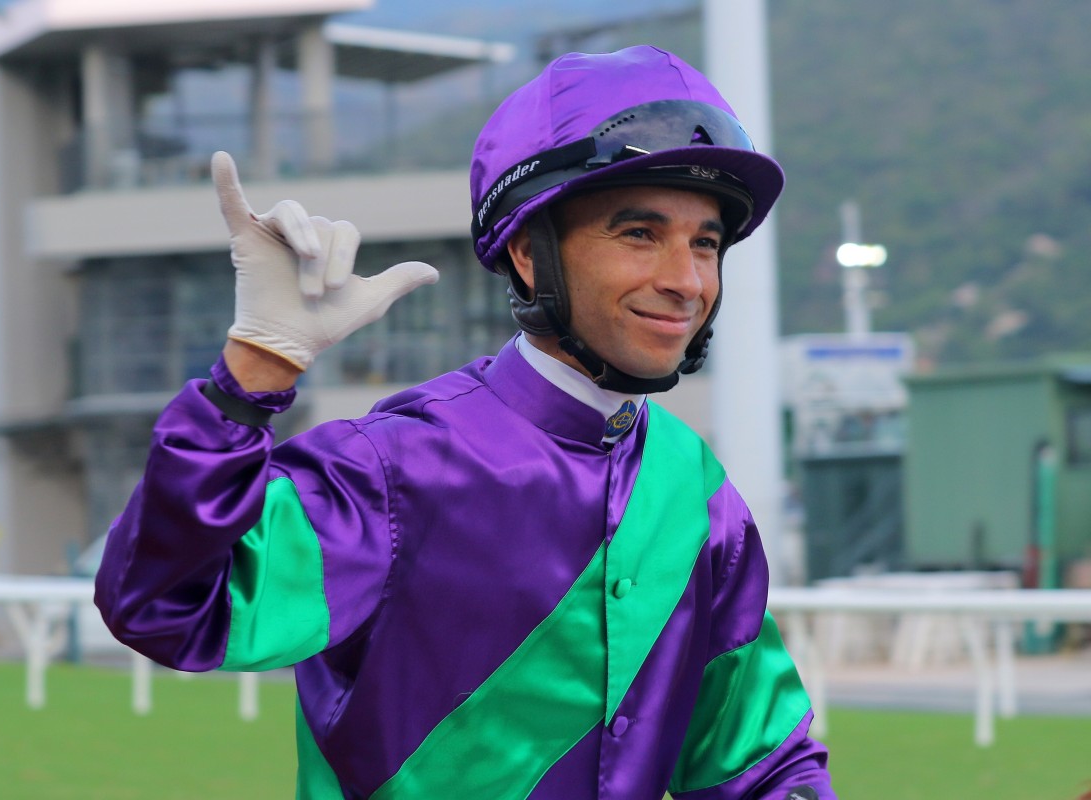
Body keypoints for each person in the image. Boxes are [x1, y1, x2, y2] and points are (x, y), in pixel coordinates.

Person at [95, 45, 834, 799]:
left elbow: (758, 760)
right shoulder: (392, 468)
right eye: (639, 234)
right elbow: (163, 607)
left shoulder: (697, 492)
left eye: (704, 243)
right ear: (527, 252)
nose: (685, 280)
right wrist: (251, 375)